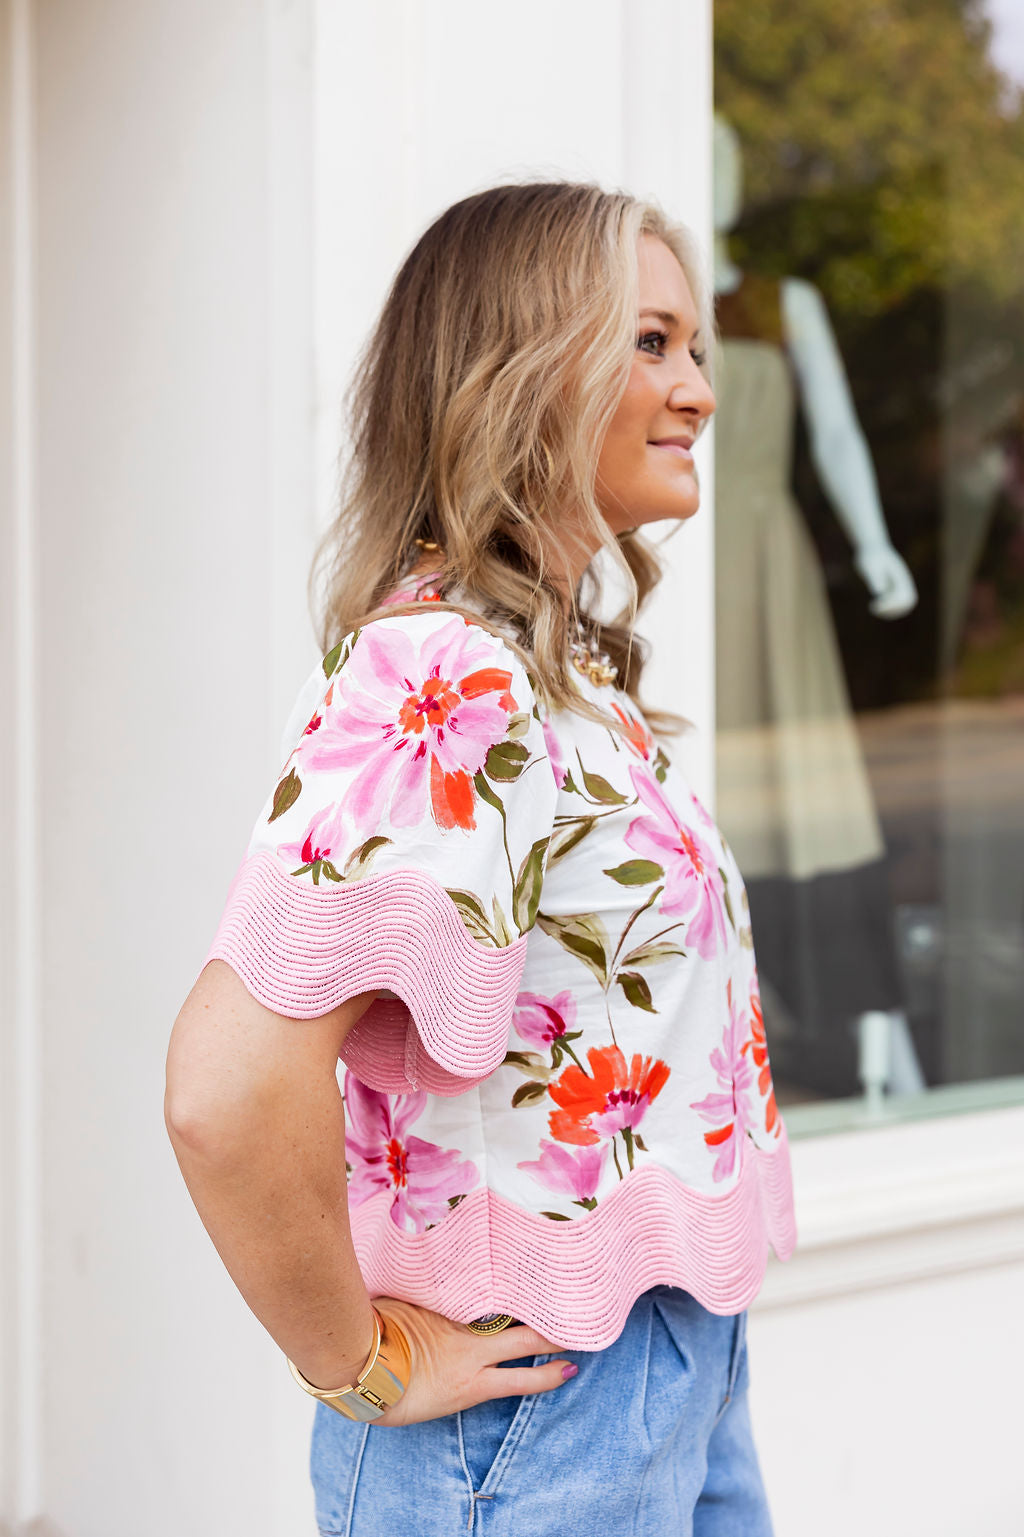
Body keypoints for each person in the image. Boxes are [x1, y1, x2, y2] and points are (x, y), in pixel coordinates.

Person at [165, 181, 797, 1537]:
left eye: (696, 347)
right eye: (649, 343)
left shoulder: (552, 670)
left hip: (660, 1361)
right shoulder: (446, 673)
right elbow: (227, 1089)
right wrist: (360, 1362)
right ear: (523, 368)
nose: (698, 388)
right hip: (534, 1418)